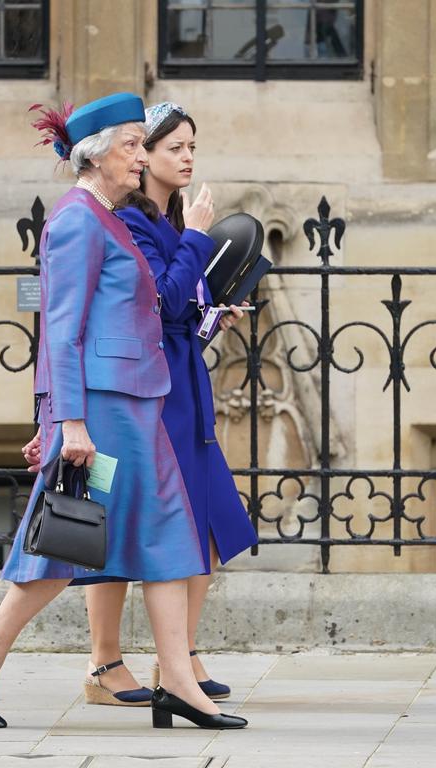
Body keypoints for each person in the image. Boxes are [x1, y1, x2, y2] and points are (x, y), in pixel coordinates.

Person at [0, 92, 247, 732]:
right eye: (132, 145)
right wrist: (65, 421)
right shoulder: (77, 219)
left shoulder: (109, 215)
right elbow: (62, 329)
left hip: (137, 403)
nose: (142, 155)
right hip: (102, 416)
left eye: (141, 143)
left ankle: (180, 684)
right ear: (98, 154)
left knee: (168, 536)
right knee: (67, 541)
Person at [23, 101, 259, 706]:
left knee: (191, 526)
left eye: (191, 148)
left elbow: (165, 319)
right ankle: (106, 663)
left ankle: (176, 660)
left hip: (172, 383)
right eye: (165, 146)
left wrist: (214, 320)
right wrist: (57, 419)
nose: (184, 158)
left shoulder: (159, 221)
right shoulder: (111, 220)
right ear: (131, 152)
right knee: (104, 529)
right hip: (130, 401)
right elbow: (87, 321)